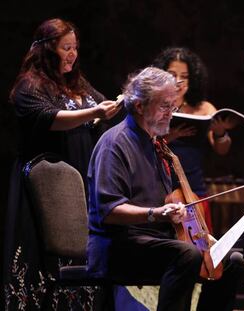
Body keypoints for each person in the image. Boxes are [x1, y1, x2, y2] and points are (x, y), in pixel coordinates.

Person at [87, 67, 239, 311]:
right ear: (139, 106)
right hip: (119, 247)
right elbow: (109, 211)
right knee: (187, 255)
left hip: (157, 241)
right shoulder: (114, 144)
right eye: (164, 107)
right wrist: (156, 213)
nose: (171, 114)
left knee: (234, 261)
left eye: (173, 106)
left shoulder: (158, 146)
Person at [3, 18, 121, 309]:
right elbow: (49, 119)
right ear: (47, 50)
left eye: (75, 47)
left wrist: (119, 105)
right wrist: (94, 112)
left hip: (79, 178)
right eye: (66, 47)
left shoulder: (77, 85)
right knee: (45, 256)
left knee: (81, 258)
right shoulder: (29, 86)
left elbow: (99, 111)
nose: (72, 53)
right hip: (47, 184)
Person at [152, 47, 235, 232]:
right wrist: (171, 137)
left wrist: (220, 132)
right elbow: (142, 144)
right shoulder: (155, 106)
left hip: (194, 190)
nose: (179, 81)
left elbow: (222, 150)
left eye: (185, 76)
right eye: (172, 74)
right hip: (161, 188)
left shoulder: (203, 108)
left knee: (199, 246)